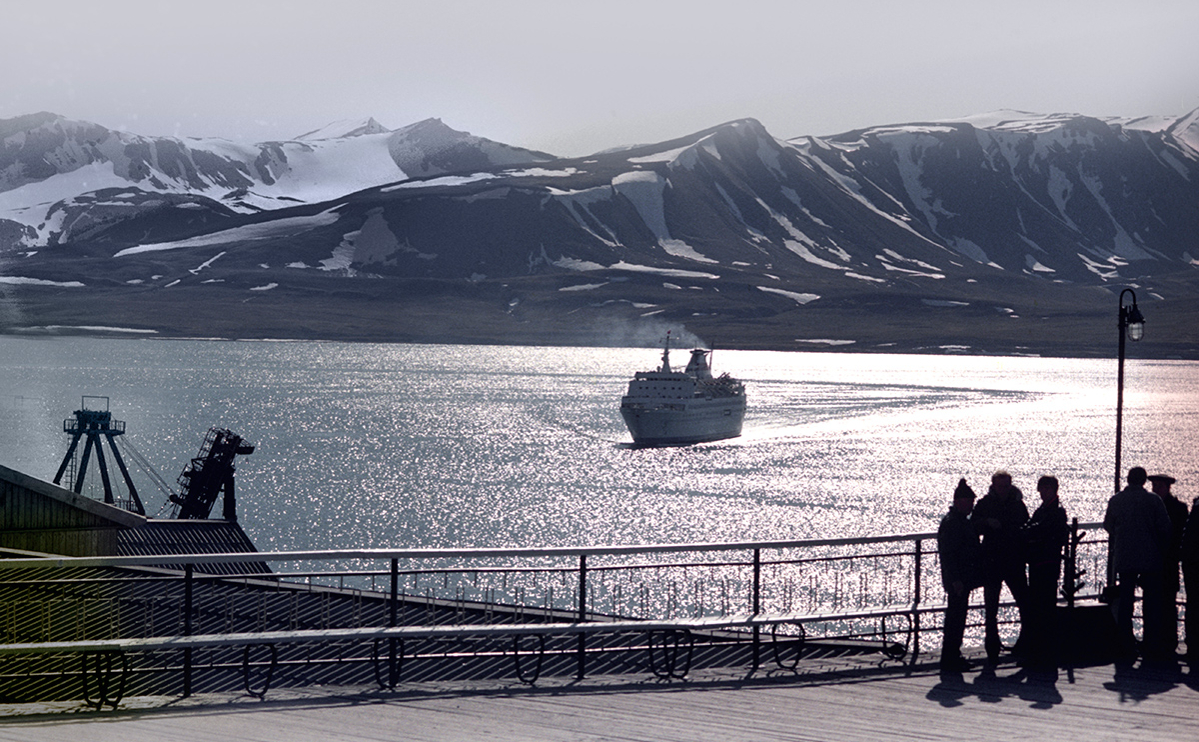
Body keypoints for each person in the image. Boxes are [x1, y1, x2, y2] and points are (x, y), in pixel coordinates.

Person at [1104, 466, 1172, 661]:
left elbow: (1108, 525)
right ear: (1143, 481)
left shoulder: (1116, 500)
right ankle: (1151, 643)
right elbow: (1165, 527)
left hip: (1125, 557)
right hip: (1150, 557)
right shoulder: (1154, 501)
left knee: (1126, 602)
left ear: (1127, 479)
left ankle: (1125, 644)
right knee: (1150, 603)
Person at [971, 470, 1030, 662]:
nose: (1004, 489)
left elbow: (1026, 527)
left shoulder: (1017, 504)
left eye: (1007, 486)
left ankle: (1024, 643)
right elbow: (973, 527)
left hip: (1014, 560)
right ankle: (992, 646)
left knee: (1024, 603)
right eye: (1001, 486)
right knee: (991, 607)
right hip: (993, 561)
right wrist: (986, 522)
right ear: (993, 485)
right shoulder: (985, 504)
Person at [1020, 475, 1069, 667]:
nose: (1043, 492)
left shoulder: (1055, 511)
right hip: (1041, 562)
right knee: (1040, 606)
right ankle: (1041, 648)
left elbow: (1042, 530)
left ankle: (1043, 649)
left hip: (1046, 563)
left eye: (1047, 488)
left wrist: (1028, 531)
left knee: (1044, 606)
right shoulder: (1046, 509)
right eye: (1042, 488)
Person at [939, 478, 981, 672]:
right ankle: (950, 657)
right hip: (958, 578)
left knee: (957, 617)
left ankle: (952, 655)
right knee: (955, 617)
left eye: (971, 501)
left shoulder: (958, 521)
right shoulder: (954, 523)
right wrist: (955, 579)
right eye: (968, 501)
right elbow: (949, 554)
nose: (971, 505)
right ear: (958, 501)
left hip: (961, 577)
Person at [1149, 474, 1187, 654]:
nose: (1155, 489)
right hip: (1154, 561)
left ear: (1167, 488)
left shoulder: (1178, 508)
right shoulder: (1152, 506)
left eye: (1159, 486)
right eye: (1154, 486)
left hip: (1168, 561)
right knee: (1154, 601)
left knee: (1167, 603)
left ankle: (1169, 641)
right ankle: (1155, 640)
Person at [1181, 491, 1199, 663]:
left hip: (1192, 562)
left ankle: (1193, 646)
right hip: (1193, 563)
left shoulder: (1196, 506)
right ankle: (1193, 646)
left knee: (1193, 606)